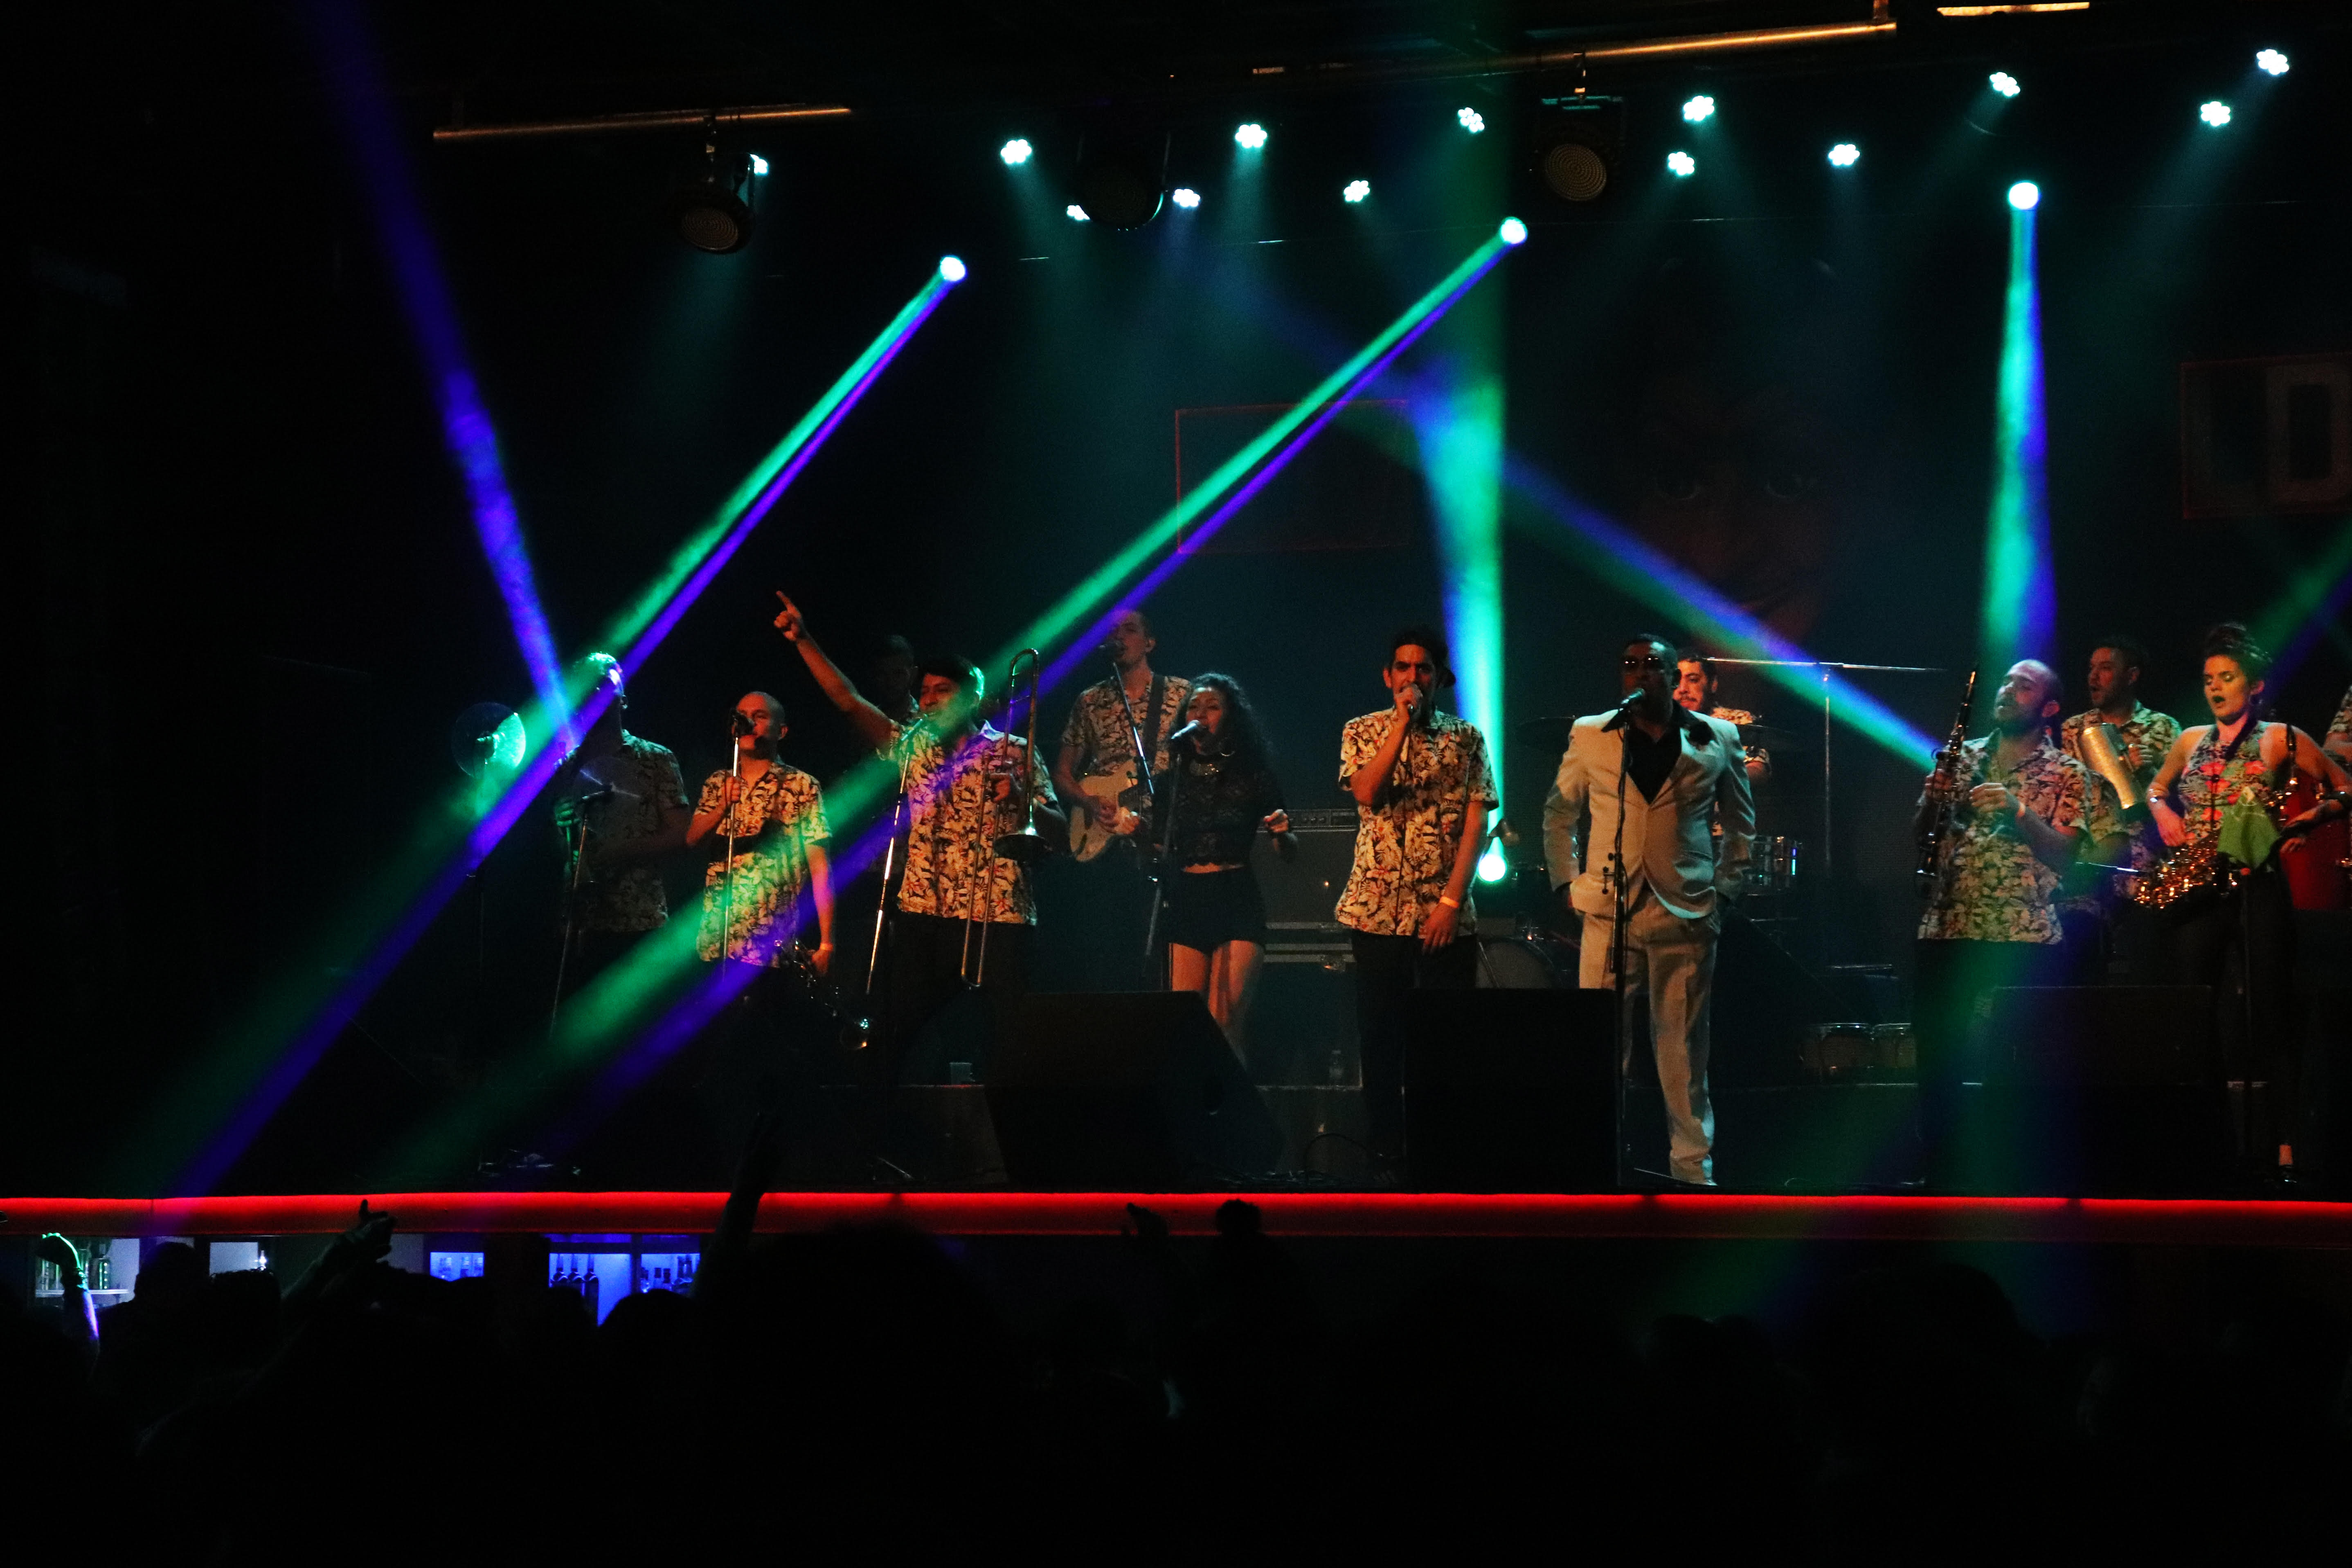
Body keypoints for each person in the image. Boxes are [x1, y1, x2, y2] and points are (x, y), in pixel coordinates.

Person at [773, 594, 1062, 1074]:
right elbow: (848, 699)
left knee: (1013, 1041)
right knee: (890, 1036)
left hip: (998, 914)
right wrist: (803, 640)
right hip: (925, 911)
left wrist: (1021, 799)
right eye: (924, 691)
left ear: (970, 696)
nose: (928, 700)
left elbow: (1058, 833)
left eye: (941, 690)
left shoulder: (1011, 749)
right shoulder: (912, 748)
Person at [1546, 633, 1754, 1187]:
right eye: (1630, 664)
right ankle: (1597, 1164)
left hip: (1685, 911)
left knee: (1683, 1053)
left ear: (1672, 673)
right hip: (1607, 908)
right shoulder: (1592, 734)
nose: (1642, 674)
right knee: (1599, 1049)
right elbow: (1558, 814)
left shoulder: (1718, 737)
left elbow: (1740, 826)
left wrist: (1726, 891)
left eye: (1654, 665)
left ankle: (1692, 1174)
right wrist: (1567, 883)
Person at [2143, 624, 2351, 1178]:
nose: (2214, 688)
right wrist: (2162, 811)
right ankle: (2203, 1141)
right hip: (2197, 887)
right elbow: (2156, 788)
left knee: (2269, 1013)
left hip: (2256, 881)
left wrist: (2314, 815)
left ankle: (2285, 1145)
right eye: (2209, 679)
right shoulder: (2188, 739)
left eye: (2227, 678)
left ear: (2254, 686)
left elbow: (2342, 785)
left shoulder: (2282, 737)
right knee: (2195, 1014)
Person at [1911, 659, 2088, 1188]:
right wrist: (1932, 798)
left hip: (2023, 934)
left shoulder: (2067, 773)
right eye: (2007, 682)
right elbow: (1921, 834)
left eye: (2024, 685)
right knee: (1937, 1058)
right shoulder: (1960, 757)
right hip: (1949, 922)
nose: (2007, 690)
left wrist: (2017, 811)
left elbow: (2066, 856)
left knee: (2016, 1064)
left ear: (2049, 708)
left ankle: (2015, 1177)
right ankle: (1940, 1177)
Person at [1335, 625, 1497, 1169]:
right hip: (1375, 911)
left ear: (1438, 678)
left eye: (1422, 668)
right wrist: (1400, 729)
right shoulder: (1362, 730)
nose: (1412, 677)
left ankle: (1444, 1146)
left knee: (1445, 1036)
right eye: (1402, 668)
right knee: (1379, 1035)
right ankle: (1385, 1142)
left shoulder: (1466, 737)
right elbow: (1365, 791)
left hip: (1442, 912)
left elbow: (1477, 822)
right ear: (1388, 676)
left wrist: (1451, 904)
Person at [1151, 673, 1292, 1061]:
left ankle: (1235, 1116)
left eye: (1212, 707)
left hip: (1235, 897)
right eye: (1194, 706)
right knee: (1186, 1024)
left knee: (1223, 1022)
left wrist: (1282, 833)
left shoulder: (1252, 773)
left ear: (1229, 718)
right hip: (1186, 899)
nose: (1201, 714)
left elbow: (1290, 850)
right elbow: (1157, 847)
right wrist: (1133, 832)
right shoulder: (1172, 780)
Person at [549, 653, 690, 988]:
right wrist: (560, 825)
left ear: (623, 699)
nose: (596, 691)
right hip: (581, 922)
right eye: (589, 686)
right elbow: (558, 850)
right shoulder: (566, 766)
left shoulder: (655, 758)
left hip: (639, 919)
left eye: (605, 684)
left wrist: (621, 851)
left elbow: (682, 833)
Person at [2054, 635, 2181, 981]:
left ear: (2131, 675)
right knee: (2081, 964)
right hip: (2092, 864)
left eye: (2105, 668)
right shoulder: (2073, 729)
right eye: (2091, 669)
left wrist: (2152, 772)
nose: (2093, 677)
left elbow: (2184, 802)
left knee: (2148, 966)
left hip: (2146, 868)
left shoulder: (2163, 728)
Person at [683, 692, 835, 972]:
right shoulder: (718, 782)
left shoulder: (801, 785)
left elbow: (820, 867)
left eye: (760, 717)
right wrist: (722, 807)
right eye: (742, 717)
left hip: (770, 939)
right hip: (717, 936)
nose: (749, 723)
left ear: (782, 730)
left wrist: (827, 944)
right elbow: (693, 839)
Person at [1054, 608, 1191, 856]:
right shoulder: (1090, 700)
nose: (1119, 636)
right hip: (1108, 833)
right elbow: (1063, 774)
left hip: (1165, 827)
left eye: (1130, 630)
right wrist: (1089, 802)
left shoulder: (1180, 693)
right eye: (1113, 631)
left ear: (1149, 644)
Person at [1673, 650, 1771, 783]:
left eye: (1693, 680)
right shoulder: (1659, 722)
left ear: (1713, 684)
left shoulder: (1737, 720)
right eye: (1677, 681)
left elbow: (1758, 769)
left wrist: (1717, 784)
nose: (1683, 689)